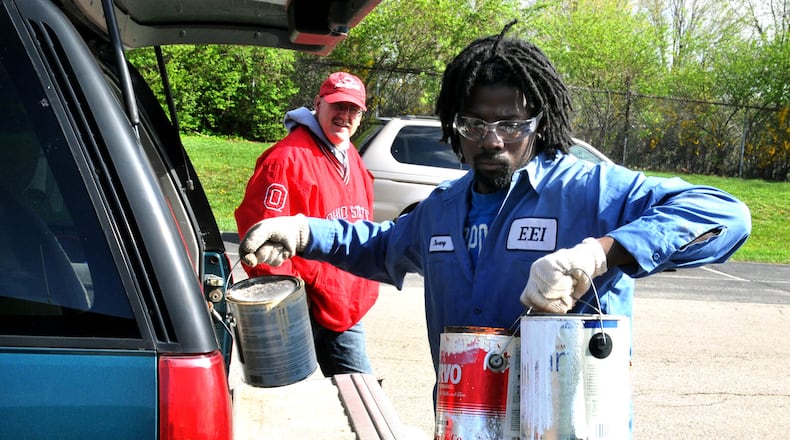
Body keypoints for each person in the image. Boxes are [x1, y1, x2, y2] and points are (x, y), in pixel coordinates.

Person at [238, 28, 750, 393]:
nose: (492, 141)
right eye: (474, 125)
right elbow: (379, 245)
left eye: (511, 125)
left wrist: (598, 255)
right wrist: (305, 231)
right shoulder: (442, 209)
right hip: (466, 416)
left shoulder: (589, 190)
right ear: (452, 124)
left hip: (567, 423)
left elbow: (724, 215)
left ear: (539, 122)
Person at [234, 71, 379, 377]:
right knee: (289, 400)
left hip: (346, 306)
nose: (346, 116)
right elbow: (263, 241)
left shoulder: (349, 153)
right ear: (318, 103)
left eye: (354, 109)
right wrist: (290, 305)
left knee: (360, 399)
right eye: (338, 105)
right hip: (304, 308)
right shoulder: (287, 159)